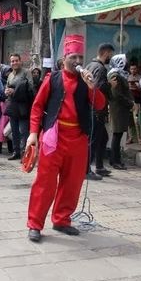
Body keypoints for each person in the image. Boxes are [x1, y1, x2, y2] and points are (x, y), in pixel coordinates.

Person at [26, 34, 106, 242]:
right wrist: (33, 133)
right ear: (65, 57)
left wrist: (92, 87)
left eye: (81, 57)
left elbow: (99, 105)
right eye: (74, 57)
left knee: (72, 183)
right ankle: (35, 224)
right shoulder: (52, 79)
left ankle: (62, 219)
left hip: (78, 139)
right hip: (53, 138)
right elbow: (37, 107)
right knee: (45, 183)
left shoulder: (85, 81)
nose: (78, 61)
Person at [85, 43, 115, 180]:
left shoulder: (90, 65)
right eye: (110, 54)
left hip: (93, 109)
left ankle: (99, 166)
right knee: (93, 139)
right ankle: (86, 169)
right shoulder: (100, 68)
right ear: (105, 53)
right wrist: (110, 85)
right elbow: (97, 88)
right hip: (96, 110)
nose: (111, 57)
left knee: (103, 138)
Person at [5, 54, 35, 161]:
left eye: (16, 60)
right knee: (14, 130)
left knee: (23, 131)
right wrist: (7, 91)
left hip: (23, 105)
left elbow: (31, 88)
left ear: (20, 61)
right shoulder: (10, 75)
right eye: (12, 61)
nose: (14, 63)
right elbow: (7, 86)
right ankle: (16, 152)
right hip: (12, 105)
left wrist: (16, 91)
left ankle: (25, 154)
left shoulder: (26, 72)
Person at [107, 67, 134, 169]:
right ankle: (115, 161)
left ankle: (114, 160)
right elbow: (116, 94)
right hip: (118, 109)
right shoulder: (115, 76)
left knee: (118, 135)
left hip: (121, 109)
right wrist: (129, 102)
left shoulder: (119, 75)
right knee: (117, 135)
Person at [126, 63, 141, 145]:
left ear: (137, 69)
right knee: (129, 122)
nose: (133, 70)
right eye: (131, 69)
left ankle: (139, 138)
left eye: (134, 69)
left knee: (137, 121)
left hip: (137, 103)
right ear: (129, 70)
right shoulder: (127, 77)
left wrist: (138, 87)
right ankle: (130, 138)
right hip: (128, 102)